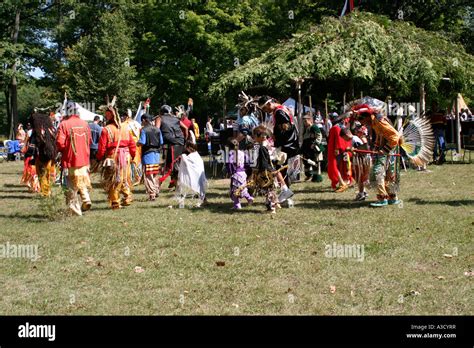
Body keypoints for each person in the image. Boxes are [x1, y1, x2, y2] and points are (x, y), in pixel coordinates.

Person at [353, 107, 401, 207]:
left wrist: (384, 150)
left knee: (377, 172)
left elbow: (395, 136)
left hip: (389, 148)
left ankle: (383, 198)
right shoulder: (375, 122)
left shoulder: (379, 121)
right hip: (389, 149)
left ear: (367, 117)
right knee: (389, 173)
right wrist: (376, 148)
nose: (363, 124)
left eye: (362, 120)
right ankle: (392, 197)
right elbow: (381, 136)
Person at [258, 95, 298, 205]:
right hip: (289, 144)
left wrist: (275, 137)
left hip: (286, 144)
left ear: (269, 104)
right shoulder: (282, 109)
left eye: (265, 108)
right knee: (281, 169)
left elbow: (286, 127)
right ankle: (286, 196)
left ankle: (286, 192)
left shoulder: (279, 112)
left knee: (276, 167)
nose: (266, 111)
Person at [96, 106, 136, 209]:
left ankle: (115, 202)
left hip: (113, 156)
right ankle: (128, 197)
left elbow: (102, 147)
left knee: (113, 179)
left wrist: (99, 158)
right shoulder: (125, 128)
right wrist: (132, 155)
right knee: (124, 178)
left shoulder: (106, 129)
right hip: (126, 156)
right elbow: (132, 144)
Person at [56, 102, 92, 215]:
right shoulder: (85, 124)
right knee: (81, 179)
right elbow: (89, 141)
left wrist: (61, 151)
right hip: (84, 159)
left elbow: (60, 143)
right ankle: (86, 199)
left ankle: (75, 210)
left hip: (70, 159)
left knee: (71, 185)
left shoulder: (64, 124)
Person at [159, 105, 188, 189]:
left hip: (169, 143)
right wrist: (184, 140)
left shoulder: (160, 118)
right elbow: (186, 128)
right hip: (180, 142)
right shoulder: (176, 118)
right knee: (176, 163)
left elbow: (156, 130)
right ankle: (175, 183)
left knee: (168, 165)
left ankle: (157, 187)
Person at [31, 113, 57, 197]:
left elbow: (32, 144)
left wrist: (29, 154)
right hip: (51, 156)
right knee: (47, 173)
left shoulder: (37, 131)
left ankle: (45, 191)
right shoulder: (52, 130)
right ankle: (47, 190)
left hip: (41, 156)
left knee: (42, 173)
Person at [137, 114, 163, 201]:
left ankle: (152, 194)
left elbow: (142, 142)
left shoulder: (144, 130)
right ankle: (156, 191)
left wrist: (137, 143)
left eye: (142, 121)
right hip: (157, 155)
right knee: (155, 174)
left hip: (148, 155)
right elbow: (161, 142)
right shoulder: (157, 129)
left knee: (148, 175)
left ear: (144, 120)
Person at [177, 141, 208, 207]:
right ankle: (204, 200)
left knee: (200, 187)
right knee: (201, 187)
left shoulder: (193, 155)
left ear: (189, 148)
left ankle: (204, 200)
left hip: (197, 174)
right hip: (199, 173)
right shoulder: (196, 154)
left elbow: (187, 162)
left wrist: (183, 156)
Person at [227, 138, 254, 209]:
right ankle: (249, 198)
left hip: (236, 174)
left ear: (229, 147)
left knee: (235, 190)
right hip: (243, 173)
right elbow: (248, 162)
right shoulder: (242, 153)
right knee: (242, 188)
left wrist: (230, 172)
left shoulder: (231, 153)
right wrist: (246, 168)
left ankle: (237, 205)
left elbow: (229, 163)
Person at [326, 112, 349, 192]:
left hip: (335, 150)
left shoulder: (335, 128)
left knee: (335, 167)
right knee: (339, 167)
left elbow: (338, 140)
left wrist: (336, 149)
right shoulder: (342, 127)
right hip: (341, 149)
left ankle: (342, 183)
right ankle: (341, 183)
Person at [301, 113, 324, 182]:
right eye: (303, 121)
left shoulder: (314, 127)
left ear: (310, 120)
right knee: (307, 162)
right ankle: (309, 175)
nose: (304, 123)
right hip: (308, 148)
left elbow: (319, 136)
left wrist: (315, 144)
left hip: (315, 148)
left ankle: (317, 178)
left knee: (316, 162)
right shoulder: (306, 129)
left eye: (305, 121)